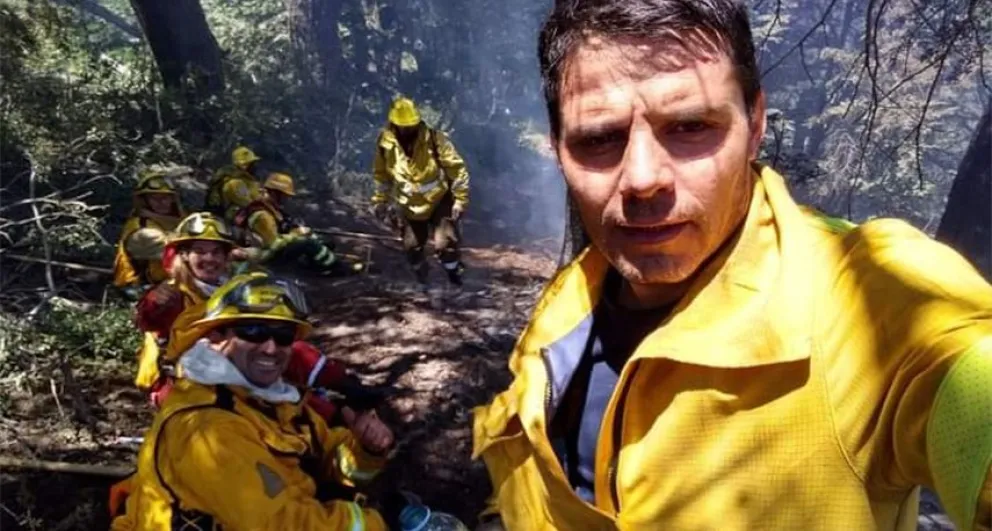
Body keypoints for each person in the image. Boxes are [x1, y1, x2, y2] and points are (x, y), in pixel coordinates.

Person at [471, 1, 992, 531]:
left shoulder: (869, 299)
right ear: (558, 148)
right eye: (599, 139)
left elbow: (957, 361)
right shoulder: (575, 292)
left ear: (756, 123)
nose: (642, 178)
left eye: (691, 126)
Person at [110, 273, 407, 530]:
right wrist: (378, 524)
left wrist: (366, 450)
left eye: (283, 336)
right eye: (253, 331)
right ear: (217, 336)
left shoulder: (273, 401)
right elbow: (279, 526)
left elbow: (329, 458)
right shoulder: (207, 428)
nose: (270, 348)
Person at [371, 97, 470, 285]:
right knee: (412, 247)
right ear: (394, 124)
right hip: (409, 205)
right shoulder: (385, 144)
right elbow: (382, 174)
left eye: (411, 126)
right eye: (403, 126)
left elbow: (457, 170)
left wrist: (460, 199)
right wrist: (380, 200)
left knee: (445, 243)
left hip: (439, 199)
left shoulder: (435, 139)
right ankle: (422, 276)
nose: (408, 130)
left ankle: (453, 273)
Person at [233, 171, 362, 275]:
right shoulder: (262, 215)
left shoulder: (271, 208)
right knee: (308, 244)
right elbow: (273, 245)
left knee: (325, 241)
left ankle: (317, 266)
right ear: (274, 193)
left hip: (274, 251)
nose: (286, 199)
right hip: (266, 258)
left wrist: (300, 231)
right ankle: (337, 268)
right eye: (284, 195)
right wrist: (296, 235)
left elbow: (284, 227)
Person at [112, 172, 185, 298]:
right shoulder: (140, 229)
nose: (160, 202)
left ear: (173, 199)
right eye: (154, 198)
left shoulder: (176, 221)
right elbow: (172, 251)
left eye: (165, 197)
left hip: (169, 283)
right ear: (144, 201)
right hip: (140, 289)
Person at [204, 145, 265, 224]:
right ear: (243, 165)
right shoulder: (236, 183)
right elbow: (248, 204)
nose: (254, 166)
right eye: (251, 163)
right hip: (232, 223)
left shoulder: (247, 180)